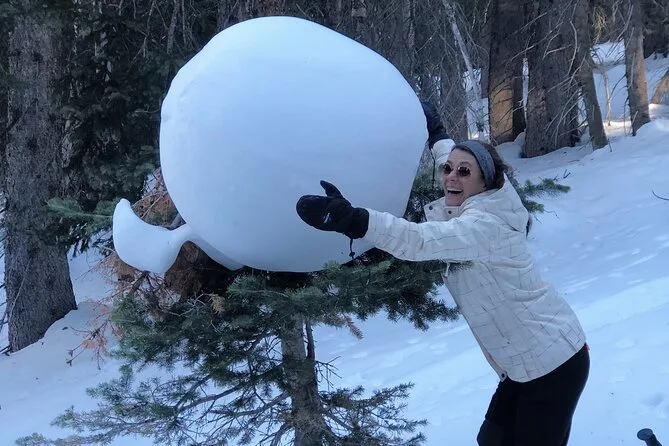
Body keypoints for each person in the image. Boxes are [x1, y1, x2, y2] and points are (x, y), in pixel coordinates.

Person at [295, 102, 590, 446]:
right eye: (448, 169)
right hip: (523, 363)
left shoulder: (485, 226)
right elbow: (450, 159)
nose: (451, 176)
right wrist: (436, 133)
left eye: (464, 172)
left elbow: (420, 240)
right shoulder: (484, 196)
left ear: (485, 180)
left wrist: (356, 221)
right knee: (492, 438)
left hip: (554, 363)